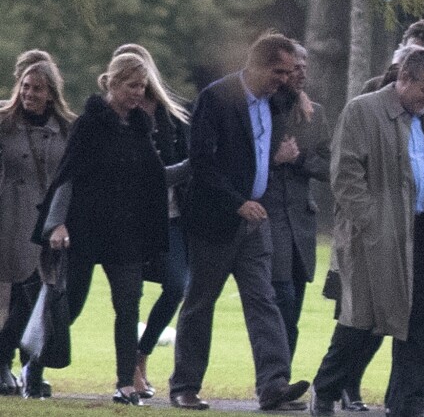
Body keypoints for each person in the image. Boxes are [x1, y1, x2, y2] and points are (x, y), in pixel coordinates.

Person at [310, 48, 424, 417]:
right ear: (403, 79)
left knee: (420, 321)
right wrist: (374, 223)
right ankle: (325, 388)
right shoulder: (362, 110)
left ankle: (406, 404)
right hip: (373, 238)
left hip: (423, 233)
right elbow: (344, 176)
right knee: (361, 322)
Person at [169, 32, 310, 411]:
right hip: (215, 221)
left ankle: (273, 384)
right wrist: (237, 203)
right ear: (257, 65)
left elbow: (289, 97)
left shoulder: (276, 98)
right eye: (279, 71)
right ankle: (184, 386)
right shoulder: (217, 98)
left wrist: (299, 93)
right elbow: (202, 162)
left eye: (289, 72)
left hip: (254, 223)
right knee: (200, 303)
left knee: (263, 300)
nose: (285, 78)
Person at [34, 53, 169, 406]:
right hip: (86, 229)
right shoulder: (90, 123)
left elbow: (154, 176)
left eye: (142, 85)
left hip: (127, 234)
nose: (138, 92)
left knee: (128, 307)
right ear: (111, 83)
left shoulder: (141, 126)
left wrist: (193, 166)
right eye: (131, 85)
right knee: (71, 306)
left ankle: (125, 383)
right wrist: (57, 223)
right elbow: (68, 175)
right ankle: (35, 367)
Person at [113, 44, 190, 399]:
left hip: (168, 219)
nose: (137, 89)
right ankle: (127, 371)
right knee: (128, 298)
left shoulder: (170, 118)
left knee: (176, 286)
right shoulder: (112, 118)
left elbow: (182, 165)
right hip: (127, 221)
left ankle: (140, 356)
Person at [0, 59, 75, 398]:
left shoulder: (67, 127)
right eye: (26, 87)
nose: (29, 94)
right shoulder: (4, 121)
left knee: (41, 297)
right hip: (11, 215)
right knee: (23, 293)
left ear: (51, 93)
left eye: (38, 89)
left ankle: (29, 368)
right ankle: (7, 363)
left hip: (51, 220)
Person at [262, 42, 330, 360]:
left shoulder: (314, 114)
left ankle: (282, 378)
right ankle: (274, 378)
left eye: (305, 65)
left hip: (301, 221)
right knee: (282, 298)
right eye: (295, 65)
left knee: (295, 305)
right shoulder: (261, 108)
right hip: (270, 217)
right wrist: (276, 159)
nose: (301, 71)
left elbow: (331, 165)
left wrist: (300, 160)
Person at [360, 19, 424, 94]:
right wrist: (394, 69)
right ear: (401, 50)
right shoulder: (372, 87)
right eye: (410, 53)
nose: (417, 61)